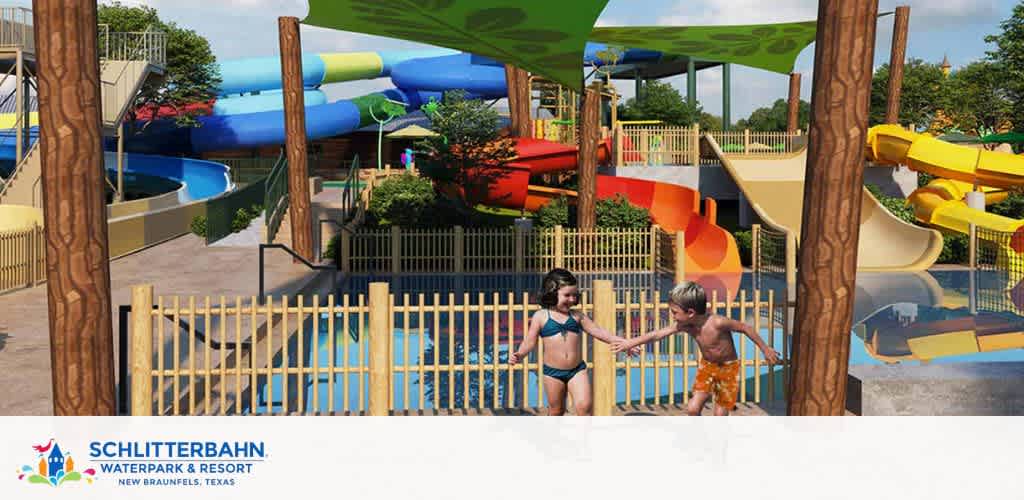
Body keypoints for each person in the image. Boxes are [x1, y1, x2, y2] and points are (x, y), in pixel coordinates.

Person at [611, 281, 781, 416]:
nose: (672, 316)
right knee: (692, 409)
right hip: (707, 368)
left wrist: (765, 349)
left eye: (674, 312)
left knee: (720, 415)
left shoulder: (718, 322)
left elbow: (746, 328)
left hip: (728, 369)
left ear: (690, 312)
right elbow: (658, 334)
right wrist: (630, 343)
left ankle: (719, 450)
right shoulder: (686, 325)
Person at [509, 268, 639, 416]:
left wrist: (626, 343)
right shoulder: (541, 316)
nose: (571, 299)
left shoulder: (577, 316)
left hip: (576, 370)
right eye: (567, 295)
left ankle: (584, 438)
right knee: (557, 411)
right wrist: (519, 354)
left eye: (574, 295)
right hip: (552, 373)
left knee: (585, 406)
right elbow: (529, 342)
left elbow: (600, 332)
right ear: (551, 293)